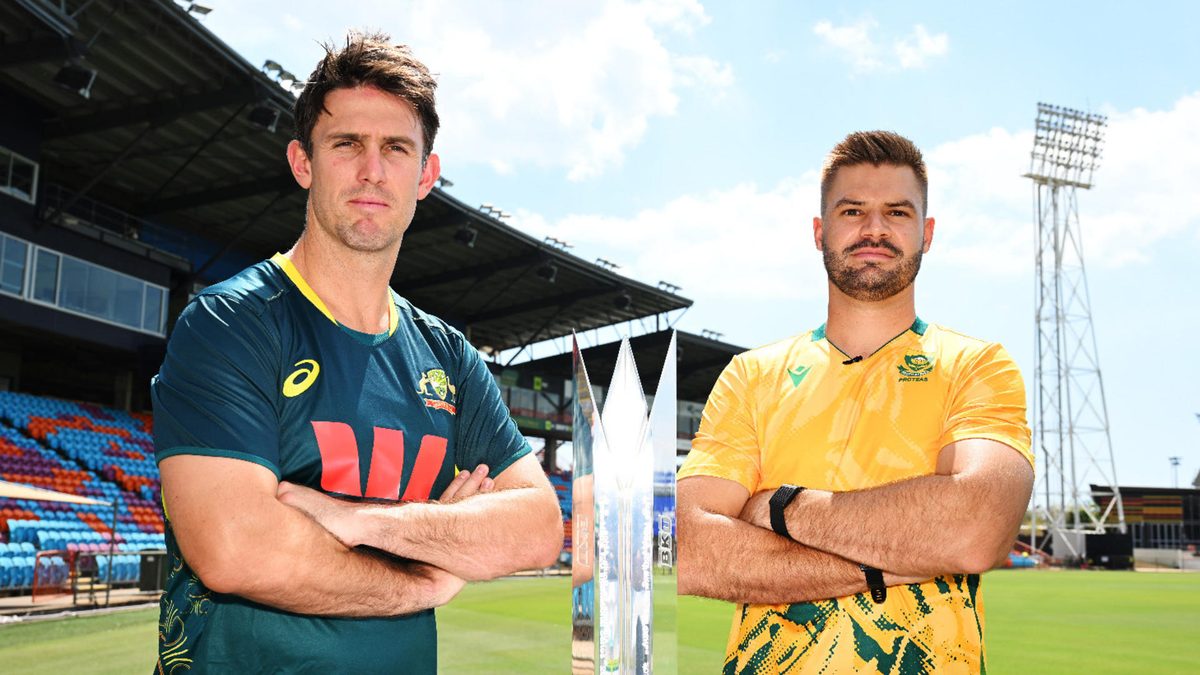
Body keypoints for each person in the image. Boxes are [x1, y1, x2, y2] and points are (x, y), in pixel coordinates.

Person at [152, 32, 563, 674]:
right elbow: (236, 549)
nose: (372, 169)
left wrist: (358, 522)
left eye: (395, 148)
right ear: (303, 162)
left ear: (425, 174)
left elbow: (538, 526)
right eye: (347, 144)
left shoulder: (448, 355)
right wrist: (427, 576)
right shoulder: (231, 323)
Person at [676, 131, 1034, 674]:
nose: (874, 229)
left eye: (897, 212)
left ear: (926, 233)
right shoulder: (752, 375)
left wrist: (778, 508)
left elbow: (976, 528)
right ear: (819, 232)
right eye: (852, 211)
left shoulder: (976, 364)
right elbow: (688, 550)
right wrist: (902, 555)